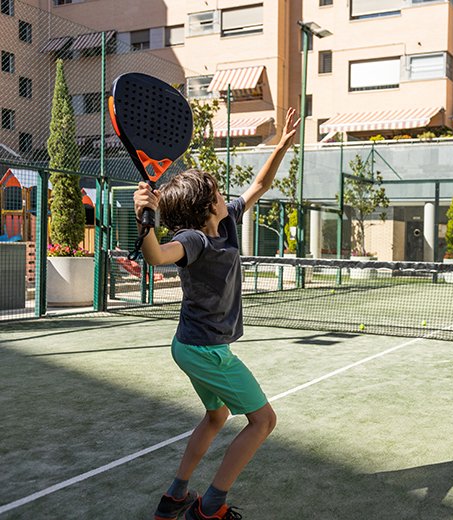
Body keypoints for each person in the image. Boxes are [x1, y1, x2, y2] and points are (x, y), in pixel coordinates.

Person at [137, 108, 300, 520]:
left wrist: (281, 146)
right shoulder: (193, 240)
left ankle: (175, 496)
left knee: (216, 416)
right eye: (214, 190)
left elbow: (261, 183)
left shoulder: (226, 223)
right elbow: (157, 255)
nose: (222, 192)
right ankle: (209, 508)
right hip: (205, 349)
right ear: (204, 207)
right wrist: (146, 218)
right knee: (263, 421)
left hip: (194, 345)